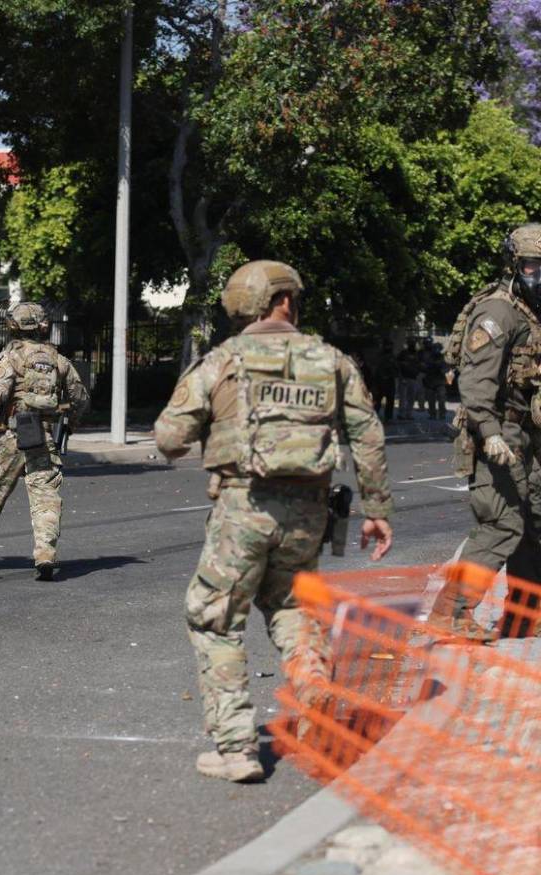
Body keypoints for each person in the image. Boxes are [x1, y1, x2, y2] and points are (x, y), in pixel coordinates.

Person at [155, 260, 393, 783]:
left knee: (214, 617)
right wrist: (376, 511)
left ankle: (237, 747)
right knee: (294, 606)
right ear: (284, 300)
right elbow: (368, 436)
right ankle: (316, 700)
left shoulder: (222, 361)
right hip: (311, 510)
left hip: (244, 507)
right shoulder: (331, 360)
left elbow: (169, 437)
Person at [435, 223, 541, 641]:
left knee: (533, 524)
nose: (539, 275)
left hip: (529, 436)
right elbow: (476, 381)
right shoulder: (499, 312)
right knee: (501, 524)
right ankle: (451, 612)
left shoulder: (532, 312)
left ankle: (524, 618)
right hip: (498, 434)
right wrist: (490, 431)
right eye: (533, 266)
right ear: (515, 266)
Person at [0, 303, 89, 581]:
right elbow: (80, 397)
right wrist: (74, 421)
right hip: (44, 436)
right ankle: (45, 554)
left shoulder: (10, 357)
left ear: (12, 326)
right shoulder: (59, 360)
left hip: (12, 436)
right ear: (43, 326)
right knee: (46, 497)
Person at [370, 340, 398, 422]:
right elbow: (375, 368)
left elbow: (396, 368)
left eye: (390, 346)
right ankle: (373, 416)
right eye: (387, 345)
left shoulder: (392, 356)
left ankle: (388, 417)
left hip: (390, 381)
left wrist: (393, 373)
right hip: (380, 381)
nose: (389, 347)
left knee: (390, 400)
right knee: (377, 400)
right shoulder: (379, 356)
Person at [420, 343, 447, 421]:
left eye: (438, 349)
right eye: (435, 348)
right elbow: (424, 368)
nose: (436, 350)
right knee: (431, 400)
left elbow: (446, 369)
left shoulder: (443, 359)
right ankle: (432, 414)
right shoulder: (429, 358)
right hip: (430, 382)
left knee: (441, 399)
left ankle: (442, 414)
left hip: (440, 382)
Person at [395, 341, 420, 420]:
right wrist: (401, 376)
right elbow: (397, 364)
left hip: (413, 378)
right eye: (411, 344)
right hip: (404, 378)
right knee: (403, 397)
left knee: (411, 398)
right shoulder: (403, 353)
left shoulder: (417, 354)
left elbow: (420, 364)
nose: (412, 346)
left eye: (413, 344)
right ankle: (401, 414)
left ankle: (409, 414)